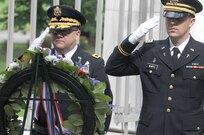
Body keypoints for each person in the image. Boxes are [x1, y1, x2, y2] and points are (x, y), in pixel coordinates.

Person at [105, 0, 204, 135]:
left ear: (191, 22)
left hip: (188, 132)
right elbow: (113, 67)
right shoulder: (151, 50)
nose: (172, 23)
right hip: (151, 130)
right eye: (169, 18)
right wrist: (134, 38)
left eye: (178, 19)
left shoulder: (201, 53)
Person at [31, 5, 113, 135]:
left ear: (77, 34)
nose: (58, 35)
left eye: (65, 31)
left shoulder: (93, 63)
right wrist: (29, 54)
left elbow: (105, 105)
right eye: (55, 31)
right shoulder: (41, 59)